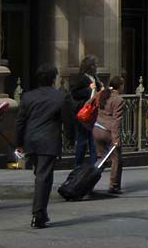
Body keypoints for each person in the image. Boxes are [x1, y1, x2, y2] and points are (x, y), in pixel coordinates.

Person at [16, 64, 76, 228]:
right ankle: (39, 213)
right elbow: (68, 121)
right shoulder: (60, 97)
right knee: (43, 177)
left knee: (40, 174)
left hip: (31, 140)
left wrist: (19, 142)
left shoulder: (28, 97)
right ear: (53, 79)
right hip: (48, 140)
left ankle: (40, 211)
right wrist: (71, 139)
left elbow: (20, 121)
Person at [94, 76, 126, 195]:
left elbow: (89, 103)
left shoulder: (102, 94)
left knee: (101, 159)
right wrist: (116, 139)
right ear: (120, 86)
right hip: (107, 132)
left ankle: (89, 181)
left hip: (96, 129)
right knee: (116, 159)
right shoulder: (118, 100)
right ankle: (114, 186)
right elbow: (116, 122)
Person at [69, 55, 99, 166]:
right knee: (82, 140)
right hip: (83, 113)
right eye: (94, 65)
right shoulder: (80, 78)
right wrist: (88, 90)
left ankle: (93, 164)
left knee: (93, 140)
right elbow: (74, 93)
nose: (96, 67)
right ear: (89, 66)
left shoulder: (95, 77)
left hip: (93, 112)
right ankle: (78, 165)